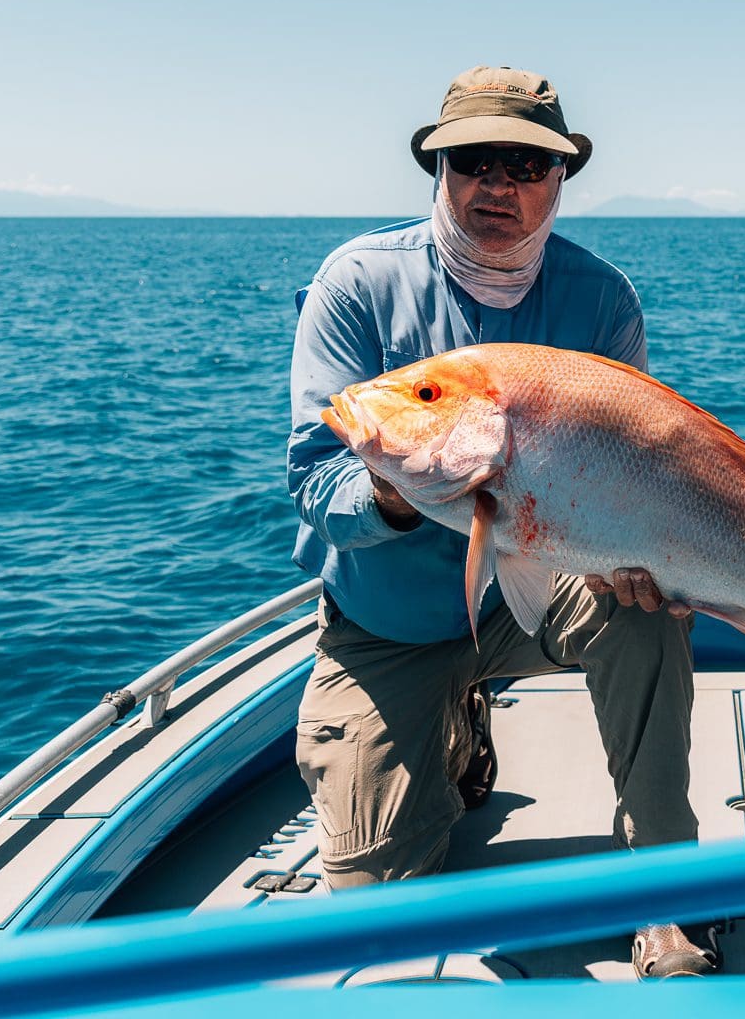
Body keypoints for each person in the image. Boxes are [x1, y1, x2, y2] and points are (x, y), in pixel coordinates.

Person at [287, 65, 717, 979]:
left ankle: (667, 888)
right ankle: (453, 722)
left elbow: (644, 471)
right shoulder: (358, 284)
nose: (499, 184)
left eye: (526, 163)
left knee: (645, 614)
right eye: (472, 161)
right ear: (437, 172)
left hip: (542, 587)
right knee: (376, 909)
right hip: (390, 624)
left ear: (561, 180)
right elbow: (315, 483)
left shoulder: (602, 301)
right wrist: (399, 493)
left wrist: (650, 563)